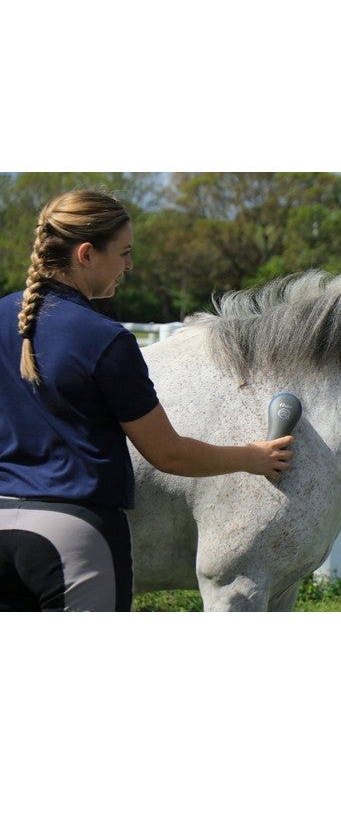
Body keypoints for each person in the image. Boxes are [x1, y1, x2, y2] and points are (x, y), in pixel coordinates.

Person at [0, 189, 294, 612]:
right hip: (75, 539)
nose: (129, 265)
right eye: (123, 253)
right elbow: (168, 454)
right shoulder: (105, 339)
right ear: (86, 253)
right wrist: (252, 457)